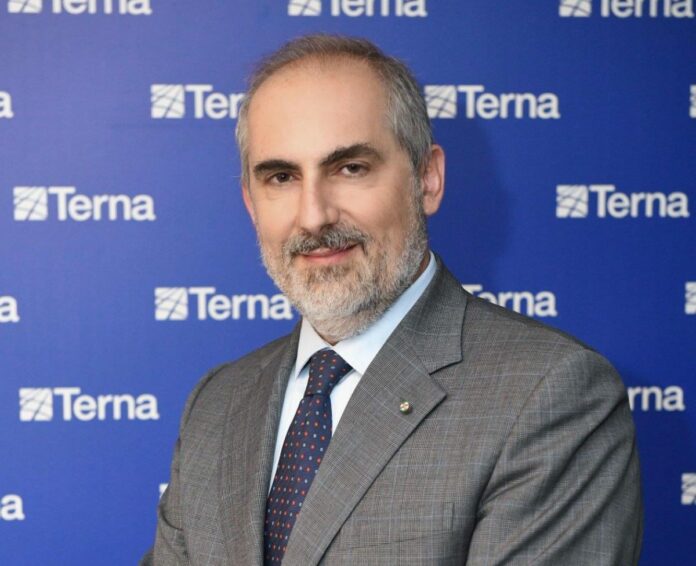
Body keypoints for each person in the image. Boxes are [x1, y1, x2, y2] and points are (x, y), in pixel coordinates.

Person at [142, 34, 643, 565]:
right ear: (250, 202)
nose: (313, 216)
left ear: (427, 179)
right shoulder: (218, 403)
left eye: (350, 168)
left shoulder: (549, 394)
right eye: (282, 177)